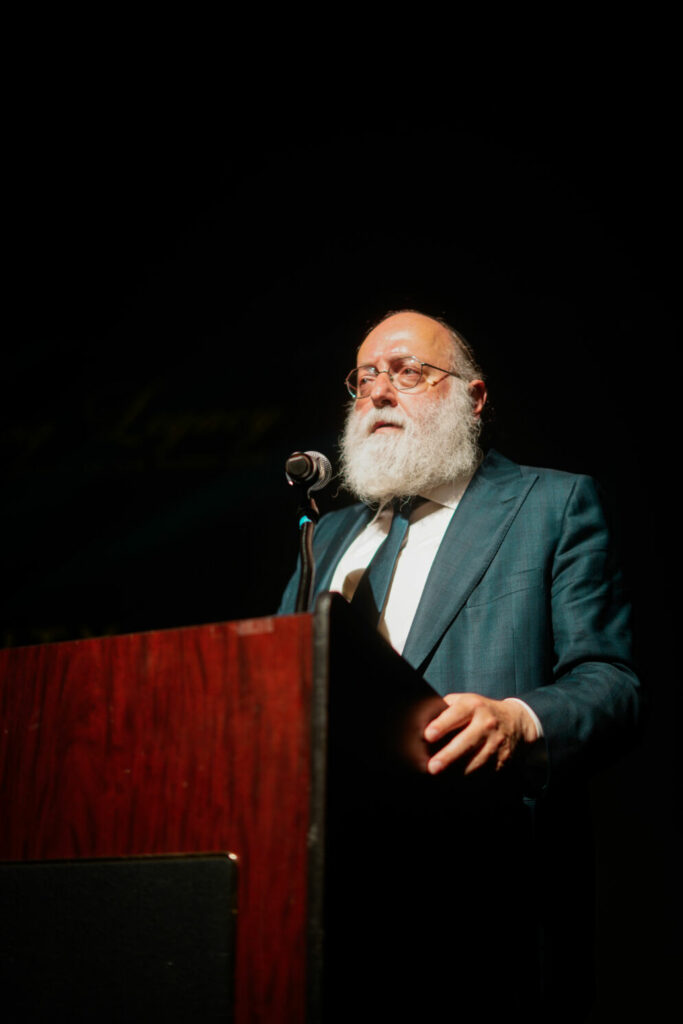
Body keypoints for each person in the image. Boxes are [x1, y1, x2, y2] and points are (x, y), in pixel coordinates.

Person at [278, 310, 643, 1021]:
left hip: (486, 896)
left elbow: (613, 683)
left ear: (472, 398)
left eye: (409, 370)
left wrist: (520, 718)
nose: (380, 390)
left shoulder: (552, 504)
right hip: (329, 904)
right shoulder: (325, 538)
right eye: (366, 377)